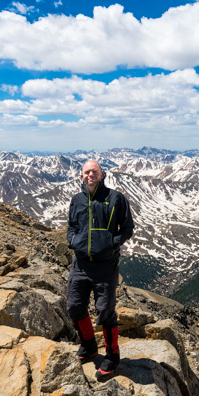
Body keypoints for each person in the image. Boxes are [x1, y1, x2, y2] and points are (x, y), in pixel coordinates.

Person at [66, 160, 134, 380]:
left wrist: (112, 243)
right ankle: (89, 346)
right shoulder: (76, 200)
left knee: (105, 311)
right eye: (86, 172)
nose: (90, 175)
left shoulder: (115, 198)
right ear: (81, 176)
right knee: (75, 306)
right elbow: (72, 226)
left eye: (94, 172)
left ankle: (112, 356)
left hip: (105, 265)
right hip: (81, 263)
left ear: (102, 174)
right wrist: (72, 240)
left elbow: (127, 228)